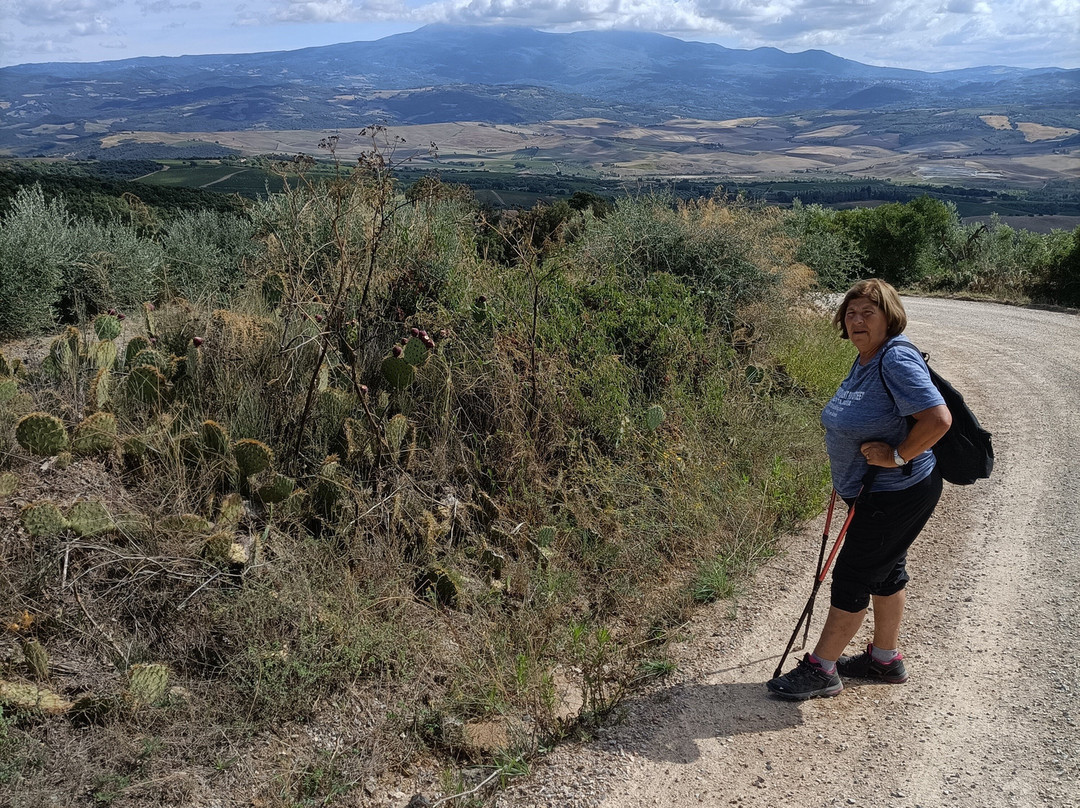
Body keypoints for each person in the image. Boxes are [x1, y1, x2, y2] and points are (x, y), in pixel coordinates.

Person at [766, 278, 952, 700]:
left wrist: (898, 456)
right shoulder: (866, 358)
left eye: (868, 312)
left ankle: (821, 669)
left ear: (890, 317)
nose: (857, 320)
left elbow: (938, 421)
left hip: (896, 492)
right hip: (873, 492)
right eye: (851, 313)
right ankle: (884, 660)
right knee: (886, 573)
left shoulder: (894, 359)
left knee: (852, 576)